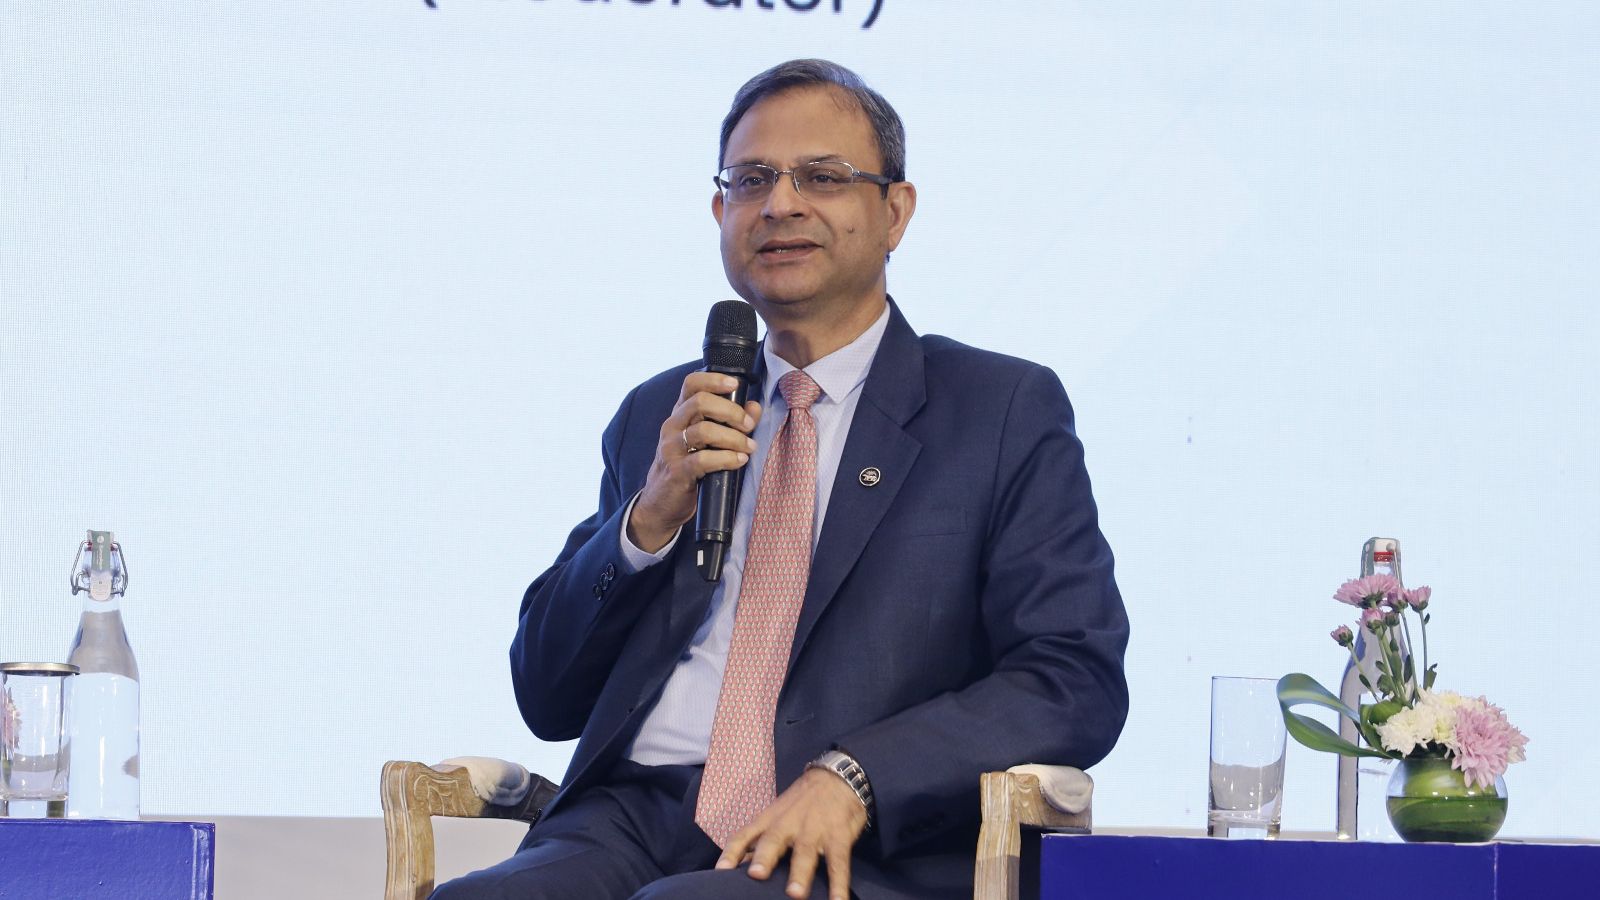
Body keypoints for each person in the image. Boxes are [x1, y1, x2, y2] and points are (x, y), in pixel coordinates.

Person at [433, 59, 1129, 900]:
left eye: (823, 177)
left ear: (895, 212)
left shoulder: (999, 410)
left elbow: (1071, 678)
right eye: (752, 180)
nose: (781, 204)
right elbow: (547, 697)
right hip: (629, 822)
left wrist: (860, 774)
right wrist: (647, 522)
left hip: (855, 840)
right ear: (721, 212)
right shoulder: (665, 412)